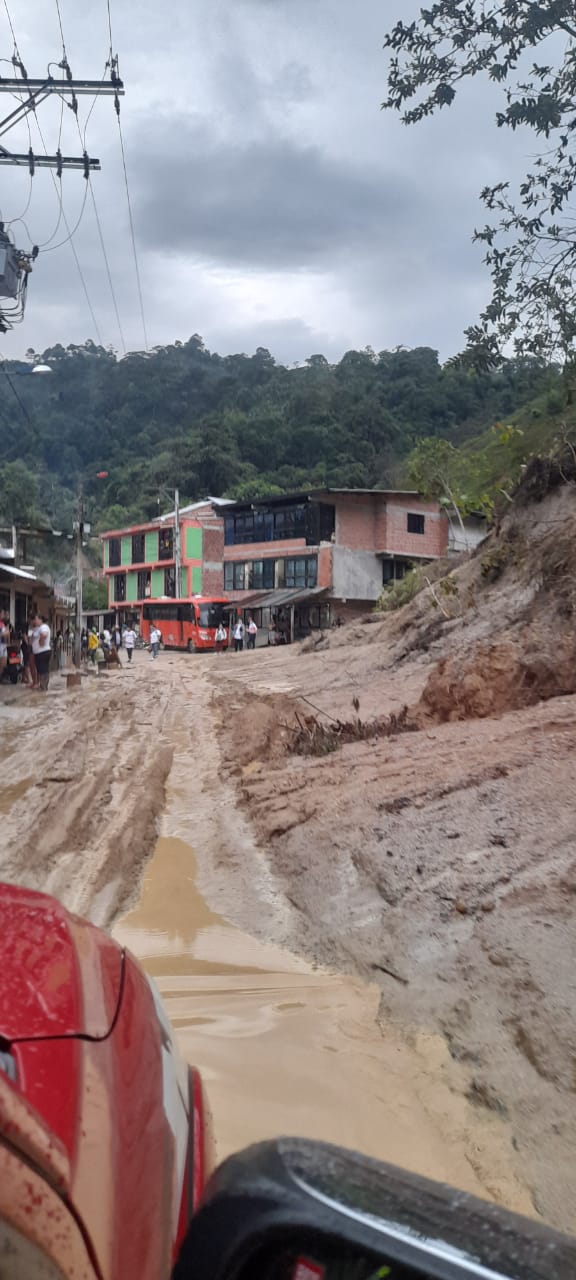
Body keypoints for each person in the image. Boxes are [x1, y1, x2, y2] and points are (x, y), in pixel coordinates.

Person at [30, 613, 51, 692]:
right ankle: (43, 686)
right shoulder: (38, 628)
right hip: (40, 652)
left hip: (43, 652)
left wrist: (41, 641)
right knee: (42, 670)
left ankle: (43, 687)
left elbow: (44, 634)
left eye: (36, 619)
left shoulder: (43, 626)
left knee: (43, 670)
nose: (35, 621)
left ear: (40, 620)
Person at [0, 612, 8, 681]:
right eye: (2, 614)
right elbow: (5, 633)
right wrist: (4, 633)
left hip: (3, 645)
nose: (3, 615)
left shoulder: (2, 624)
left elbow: (7, 633)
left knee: (4, 662)